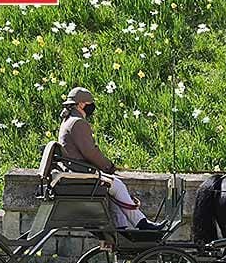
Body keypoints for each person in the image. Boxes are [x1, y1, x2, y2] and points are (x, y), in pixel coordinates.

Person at [58, 87, 165, 230]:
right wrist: (108, 167)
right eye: (90, 103)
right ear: (82, 104)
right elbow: (90, 152)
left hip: (75, 170)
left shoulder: (67, 121)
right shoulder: (78, 122)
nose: (92, 107)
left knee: (113, 189)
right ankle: (141, 224)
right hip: (81, 172)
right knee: (118, 186)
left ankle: (122, 227)